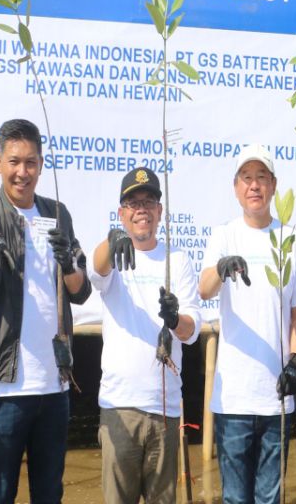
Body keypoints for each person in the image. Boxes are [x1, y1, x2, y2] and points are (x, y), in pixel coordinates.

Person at [0, 118, 92, 504]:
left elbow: (80, 291)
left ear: (41, 164)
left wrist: (69, 264)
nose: (22, 172)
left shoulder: (58, 213)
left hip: (54, 385)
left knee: (49, 494)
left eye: (30, 162)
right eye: (14, 162)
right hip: (3, 385)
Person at [200, 144, 296, 504]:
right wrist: (221, 268)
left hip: (275, 396)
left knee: (270, 496)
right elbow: (203, 290)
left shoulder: (293, 240)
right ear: (236, 187)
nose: (254, 186)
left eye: (261, 178)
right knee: (235, 497)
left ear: (273, 185)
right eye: (247, 178)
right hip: (233, 397)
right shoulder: (224, 236)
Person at [90, 167, 202, 504]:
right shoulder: (113, 255)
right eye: (133, 203)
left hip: (164, 409)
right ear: (122, 213)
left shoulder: (177, 259)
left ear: (160, 212)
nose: (142, 209)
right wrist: (112, 242)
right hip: (119, 406)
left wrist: (174, 318)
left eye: (149, 201)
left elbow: (192, 330)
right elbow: (95, 269)